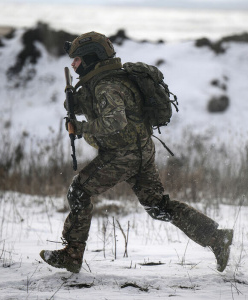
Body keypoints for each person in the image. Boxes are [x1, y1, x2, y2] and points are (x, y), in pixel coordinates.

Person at [40, 31, 233, 273]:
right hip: (141, 151)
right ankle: (217, 238)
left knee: (79, 191)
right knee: (158, 206)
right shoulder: (113, 80)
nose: (73, 64)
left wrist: (80, 127)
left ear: (90, 58)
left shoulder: (106, 86)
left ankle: (72, 253)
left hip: (122, 155)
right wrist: (76, 104)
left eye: (77, 59)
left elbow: (115, 122)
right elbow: (115, 111)